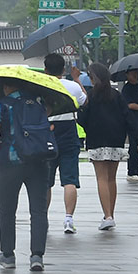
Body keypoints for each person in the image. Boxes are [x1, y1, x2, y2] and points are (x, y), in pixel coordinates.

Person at [0, 79, 50, 271]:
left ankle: (8, 255)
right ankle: (37, 256)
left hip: (11, 162)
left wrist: (0, 140)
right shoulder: (40, 101)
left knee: (7, 210)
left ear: (6, 86)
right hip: (39, 161)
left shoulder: (1, 104)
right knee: (38, 211)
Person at [78, 62, 138, 230]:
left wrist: (84, 113)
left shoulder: (91, 96)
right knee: (112, 178)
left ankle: (107, 216)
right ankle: (110, 214)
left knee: (101, 178)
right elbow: (128, 117)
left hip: (97, 140)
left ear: (94, 78)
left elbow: (82, 120)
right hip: (116, 140)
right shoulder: (117, 95)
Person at [43, 53, 87, 234]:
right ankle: (68, 219)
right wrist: (77, 79)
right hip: (69, 132)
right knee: (69, 180)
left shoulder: (41, 86)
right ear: (63, 70)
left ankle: (42, 218)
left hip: (47, 133)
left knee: (46, 181)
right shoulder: (72, 87)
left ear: (45, 69)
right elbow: (85, 101)